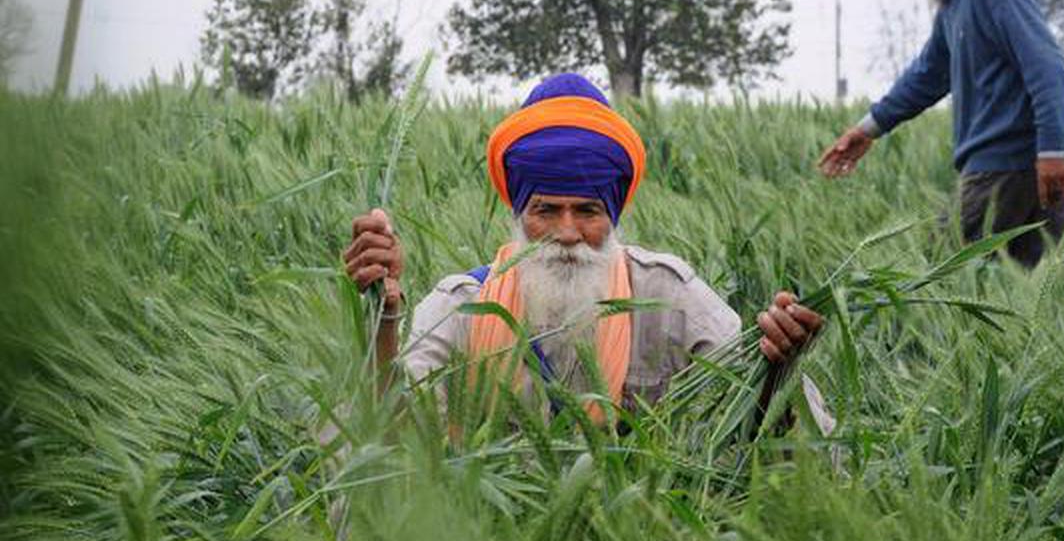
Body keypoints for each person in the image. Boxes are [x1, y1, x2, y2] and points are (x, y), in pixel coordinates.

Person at [343, 73, 830, 425]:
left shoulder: (666, 292)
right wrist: (384, 318)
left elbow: (764, 425)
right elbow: (386, 428)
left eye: (588, 212)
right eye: (546, 211)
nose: (568, 232)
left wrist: (777, 370)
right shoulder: (464, 304)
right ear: (517, 214)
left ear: (613, 215)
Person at [818, 0, 1064, 268]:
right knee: (1049, 278)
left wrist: (1053, 150)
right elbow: (929, 74)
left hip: (1008, 161)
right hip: (1017, 160)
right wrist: (868, 129)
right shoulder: (957, 0)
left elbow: (1047, 67)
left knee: (944, 270)